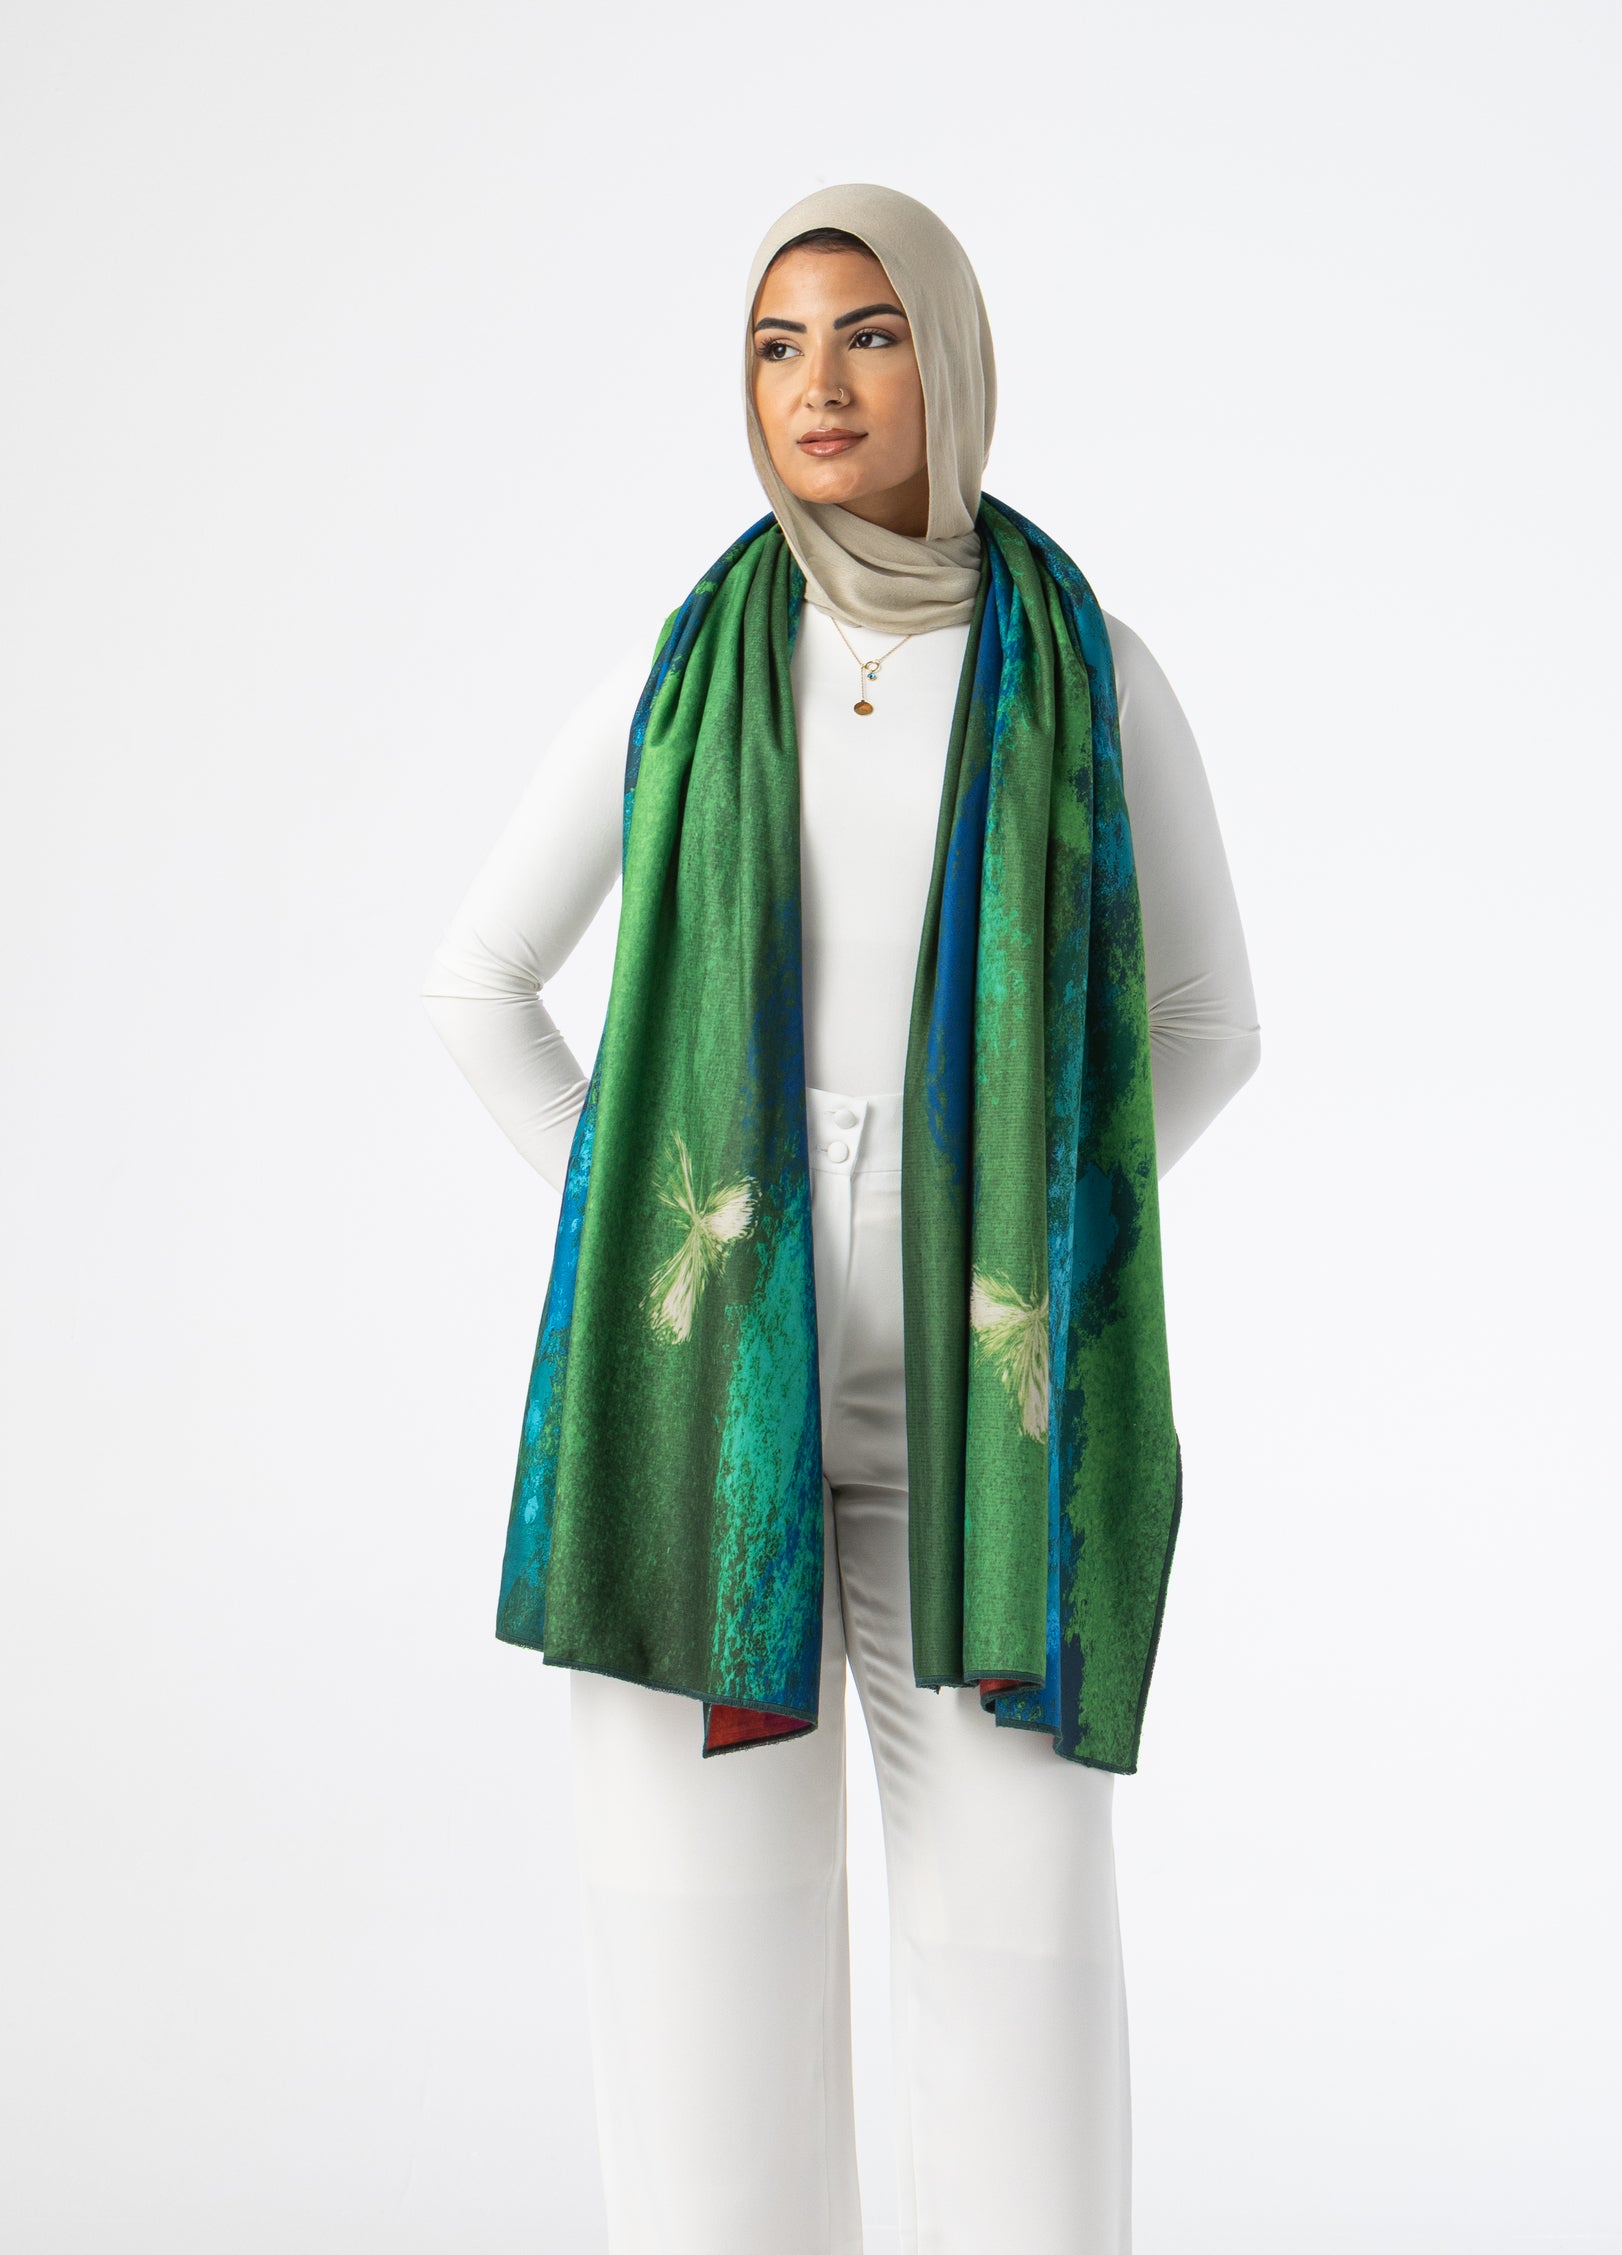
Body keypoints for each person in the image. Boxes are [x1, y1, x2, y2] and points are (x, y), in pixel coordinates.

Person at [423, 182, 1261, 2255]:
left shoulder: (1088, 671)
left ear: (948, 358)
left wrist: (1041, 1243)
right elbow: (479, 987)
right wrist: (657, 1233)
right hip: (691, 1435)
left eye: (869, 333)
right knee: (703, 2042)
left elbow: (1207, 1027)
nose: (818, 384)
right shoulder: (688, 667)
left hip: (993, 1451)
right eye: (776, 344)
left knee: (1022, 2017)